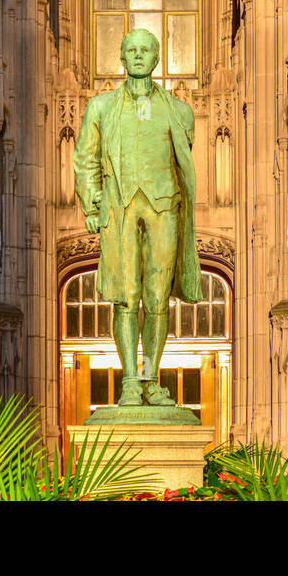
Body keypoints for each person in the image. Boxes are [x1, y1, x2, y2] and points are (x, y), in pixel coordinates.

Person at [73, 28, 202, 408]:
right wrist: (93, 205)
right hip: (122, 208)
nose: (139, 55)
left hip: (164, 208)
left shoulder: (180, 112)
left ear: (157, 58)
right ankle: (130, 379)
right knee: (126, 298)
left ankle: (150, 378)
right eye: (132, 49)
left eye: (146, 49)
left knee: (158, 298)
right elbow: (86, 160)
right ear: (122, 57)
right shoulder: (100, 107)